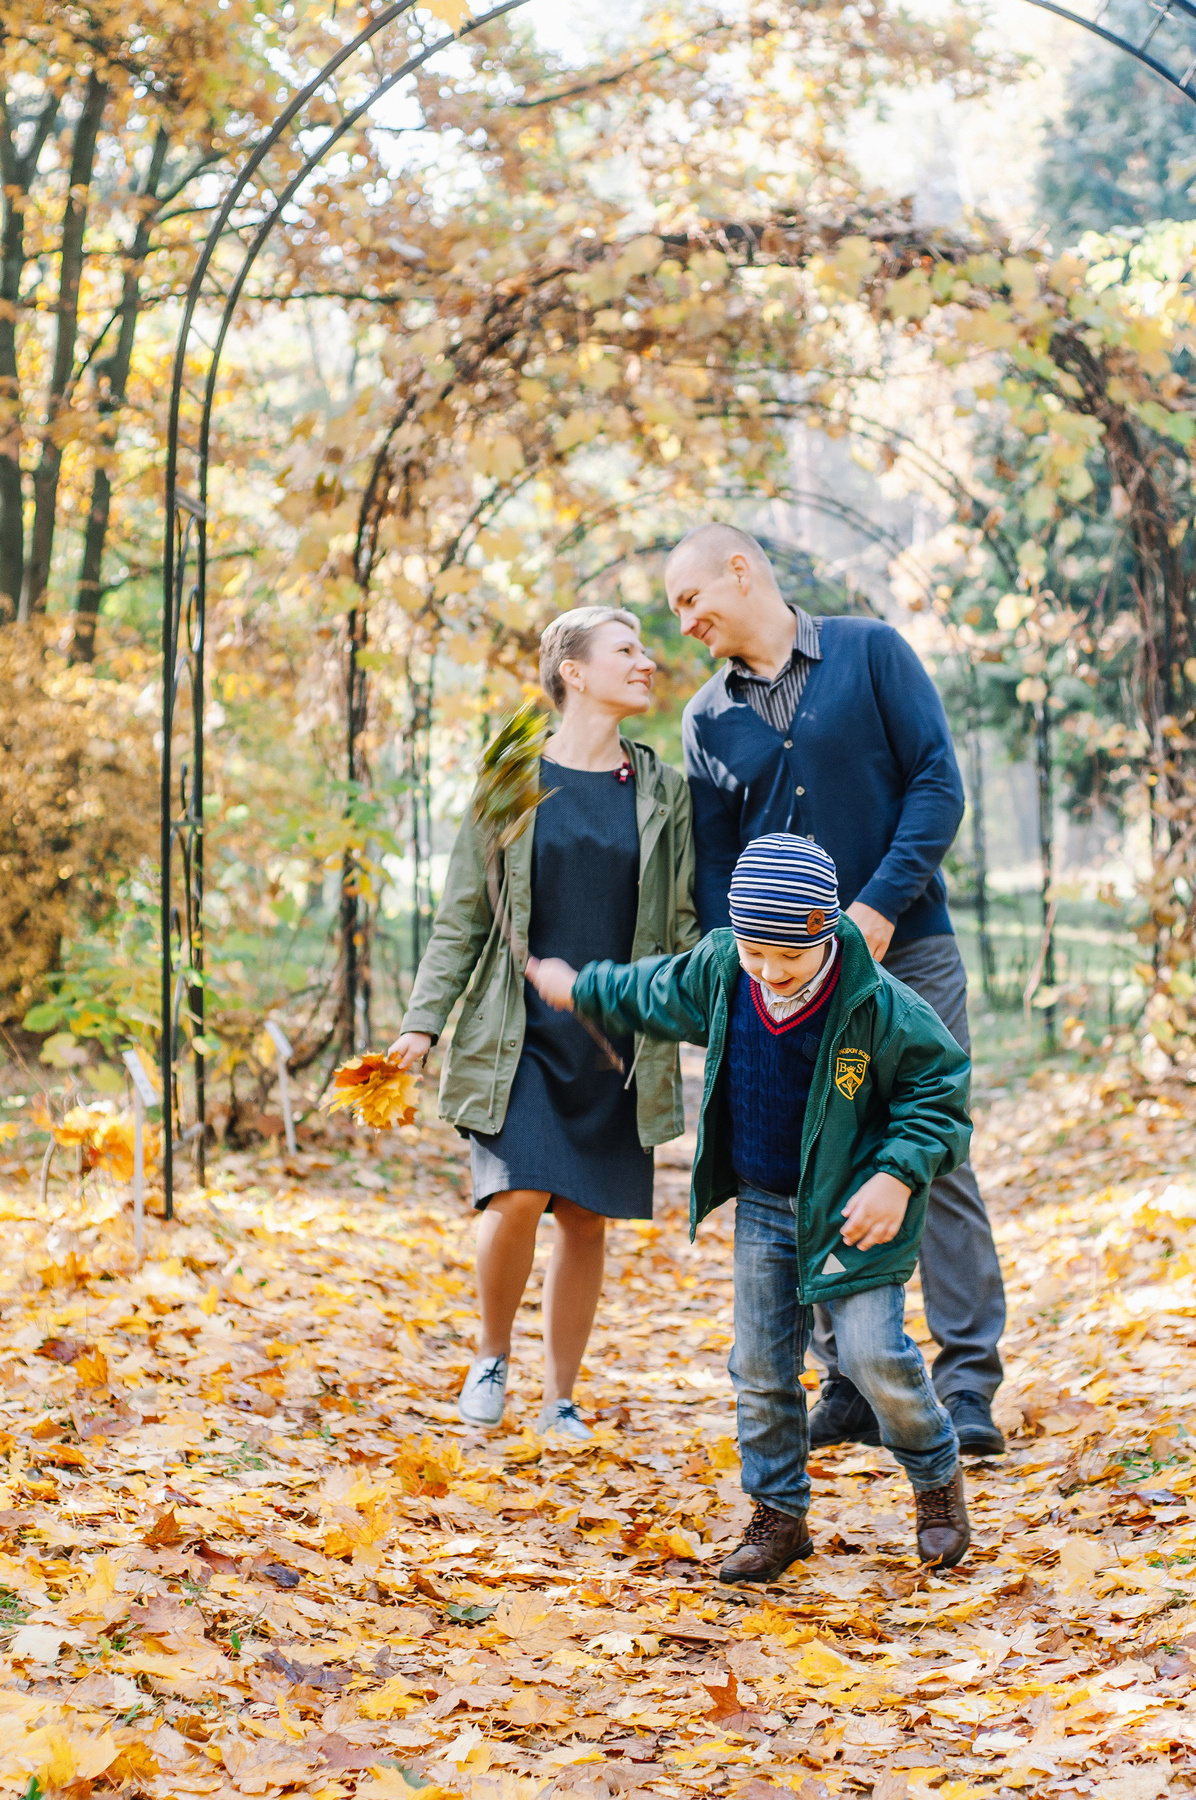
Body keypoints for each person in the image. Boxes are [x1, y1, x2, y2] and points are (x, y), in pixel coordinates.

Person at [529, 834, 974, 1576]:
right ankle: (778, 1517)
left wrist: (898, 1175)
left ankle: (935, 1479)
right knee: (761, 1366)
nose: (770, 973)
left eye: (789, 960)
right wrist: (582, 987)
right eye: (756, 955)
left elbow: (941, 1095)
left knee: (870, 1353)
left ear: (826, 933)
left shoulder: (880, 1006)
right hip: (766, 1204)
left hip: (855, 1207)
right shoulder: (724, 969)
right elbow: (655, 991)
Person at [666, 522, 1006, 1460]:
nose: (685, 621)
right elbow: (718, 870)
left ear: (740, 570)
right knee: (803, 1159)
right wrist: (741, 973)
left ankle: (967, 1382)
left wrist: (880, 907)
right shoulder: (705, 719)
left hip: (909, 950)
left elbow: (937, 784)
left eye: (690, 599)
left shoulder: (871, 653)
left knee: (933, 1153)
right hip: (788, 984)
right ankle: (848, 1385)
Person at [388, 605, 698, 1441]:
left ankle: (561, 1396)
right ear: (574, 671)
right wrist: (424, 1022)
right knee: (517, 1193)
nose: (646, 663)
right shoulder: (510, 775)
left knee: (587, 1216)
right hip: (517, 1027)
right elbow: (462, 914)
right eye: (626, 650)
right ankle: (491, 1355)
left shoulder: (664, 789)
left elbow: (682, 924)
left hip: (616, 1032)